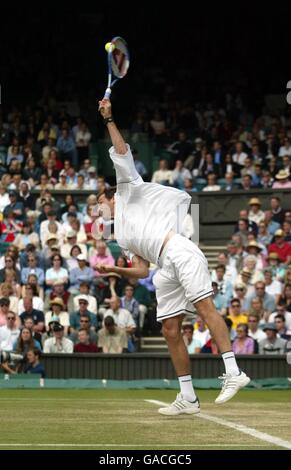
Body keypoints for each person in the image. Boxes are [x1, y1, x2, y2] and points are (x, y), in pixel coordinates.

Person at [97, 98, 250, 414]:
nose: (99, 207)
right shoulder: (121, 235)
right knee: (169, 329)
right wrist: (114, 269)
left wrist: (109, 119)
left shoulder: (128, 188)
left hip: (179, 249)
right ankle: (188, 397)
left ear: (112, 199)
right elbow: (141, 271)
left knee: (205, 306)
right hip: (164, 268)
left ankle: (234, 372)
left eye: (100, 201)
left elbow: (122, 150)